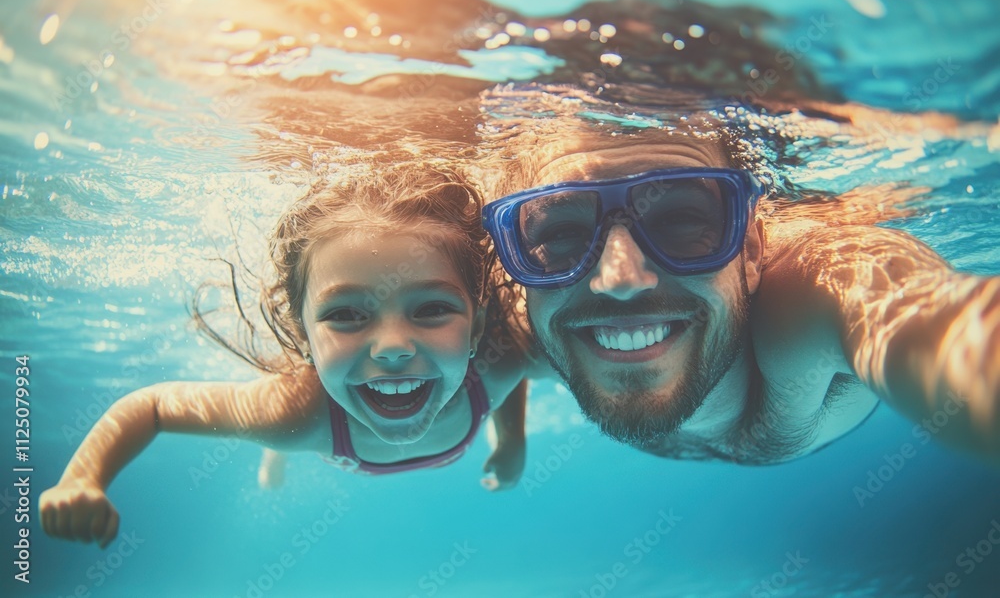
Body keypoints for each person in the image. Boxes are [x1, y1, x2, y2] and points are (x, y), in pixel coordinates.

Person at [481, 86, 1000, 466]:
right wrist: (510, 440)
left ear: (752, 248)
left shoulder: (811, 293)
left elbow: (940, 325)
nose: (619, 279)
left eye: (682, 222)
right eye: (562, 235)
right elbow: (511, 356)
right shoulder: (531, 322)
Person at [41, 163, 542, 548]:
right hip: (308, 419)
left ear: (477, 328)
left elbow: (512, 366)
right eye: (346, 315)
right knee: (281, 432)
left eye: (431, 309)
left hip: (351, 402)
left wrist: (513, 438)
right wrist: (82, 478)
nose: (392, 347)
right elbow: (151, 406)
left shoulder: (501, 358)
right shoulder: (291, 414)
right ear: (300, 334)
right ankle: (273, 456)